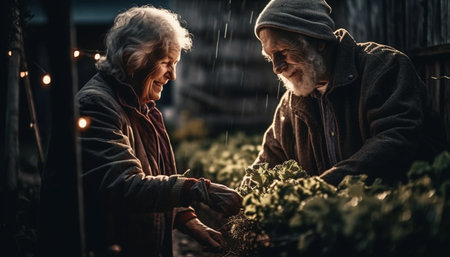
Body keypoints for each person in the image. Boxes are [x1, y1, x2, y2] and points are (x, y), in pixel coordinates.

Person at [67, 5, 241, 257]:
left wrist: (188, 221)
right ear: (132, 60)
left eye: (175, 63)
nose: (172, 75)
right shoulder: (95, 105)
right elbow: (123, 186)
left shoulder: (143, 106)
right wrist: (197, 189)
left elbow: (154, 177)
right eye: (166, 63)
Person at [248, 0, 448, 186]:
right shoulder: (291, 104)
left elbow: (396, 141)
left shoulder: (385, 67)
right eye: (270, 57)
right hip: (342, 217)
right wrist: (239, 197)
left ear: (319, 40)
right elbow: (268, 161)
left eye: (282, 52)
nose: (277, 68)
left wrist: (320, 189)